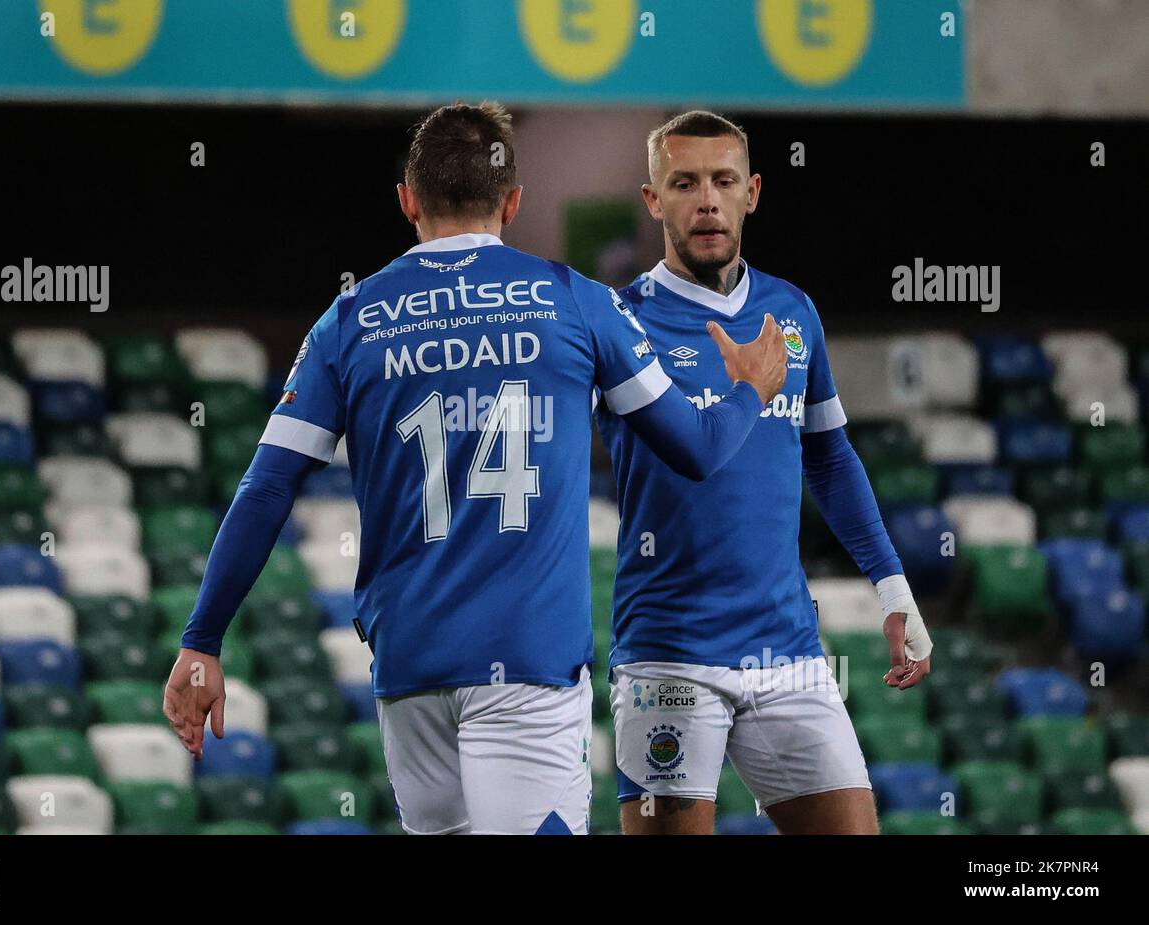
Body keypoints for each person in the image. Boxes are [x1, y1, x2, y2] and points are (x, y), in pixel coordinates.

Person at [163, 102, 787, 835]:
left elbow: (266, 486)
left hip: (411, 670)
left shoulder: (351, 317)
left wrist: (202, 639)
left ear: (407, 199)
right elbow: (699, 449)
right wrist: (751, 390)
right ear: (514, 202)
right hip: (527, 663)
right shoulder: (577, 301)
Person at [597, 111, 933, 835]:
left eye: (723, 181)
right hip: (670, 654)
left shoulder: (792, 312)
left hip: (789, 651)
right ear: (653, 200)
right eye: (684, 183)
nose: (707, 200)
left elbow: (831, 456)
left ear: (752, 192)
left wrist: (892, 585)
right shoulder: (618, 322)